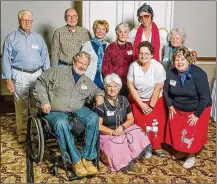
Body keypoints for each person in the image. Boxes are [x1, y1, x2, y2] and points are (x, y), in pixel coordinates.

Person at [34, 51, 104, 177]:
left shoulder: (86, 80)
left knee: (93, 118)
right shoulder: (57, 71)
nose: (82, 66)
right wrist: (44, 101)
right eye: (80, 62)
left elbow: (97, 90)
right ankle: (76, 160)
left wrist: (99, 95)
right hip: (55, 110)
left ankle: (87, 158)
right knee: (61, 123)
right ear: (73, 62)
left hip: (76, 110)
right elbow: (40, 83)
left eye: (85, 64)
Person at [1, 10, 50, 143]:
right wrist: (8, 80)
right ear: (19, 21)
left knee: (36, 105)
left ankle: (34, 131)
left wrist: (47, 76)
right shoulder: (11, 38)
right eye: (25, 20)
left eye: (30, 21)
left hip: (37, 75)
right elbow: (6, 60)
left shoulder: (38, 38)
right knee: (22, 106)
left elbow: (45, 57)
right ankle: (22, 133)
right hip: (20, 74)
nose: (28, 23)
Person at [163, 47, 212, 168]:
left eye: (183, 59)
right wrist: (170, 106)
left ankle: (191, 155)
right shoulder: (171, 73)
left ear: (189, 60)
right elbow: (166, 92)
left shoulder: (199, 74)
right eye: (176, 59)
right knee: (177, 129)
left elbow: (205, 97)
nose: (179, 62)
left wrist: (197, 115)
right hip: (178, 107)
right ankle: (181, 151)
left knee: (191, 132)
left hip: (199, 107)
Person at [94, 73, 152, 171]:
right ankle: (122, 160)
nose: (112, 89)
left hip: (122, 128)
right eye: (109, 86)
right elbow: (98, 126)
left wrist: (122, 127)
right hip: (107, 134)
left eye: (115, 86)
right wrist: (113, 132)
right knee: (116, 146)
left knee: (137, 131)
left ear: (119, 87)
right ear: (105, 87)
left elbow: (131, 119)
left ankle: (132, 154)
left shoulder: (124, 99)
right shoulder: (101, 102)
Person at [127, 41, 167, 157]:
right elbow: (131, 87)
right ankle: (145, 147)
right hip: (138, 99)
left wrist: (150, 106)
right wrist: (141, 104)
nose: (143, 56)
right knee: (140, 126)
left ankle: (155, 146)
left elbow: (157, 89)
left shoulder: (158, 67)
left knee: (154, 125)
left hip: (154, 100)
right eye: (141, 53)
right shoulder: (133, 66)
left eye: (147, 53)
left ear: (152, 55)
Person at [102, 22, 133, 97]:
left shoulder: (130, 46)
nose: (123, 34)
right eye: (120, 32)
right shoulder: (111, 47)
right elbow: (105, 67)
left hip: (128, 82)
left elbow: (133, 63)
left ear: (128, 33)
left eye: (125, 32)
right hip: (115, 83)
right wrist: (111, 83)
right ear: (117, 33)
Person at [81, 20, 109, 89]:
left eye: (103, 29)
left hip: (104, 79)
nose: (100, 31)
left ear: (106, 32)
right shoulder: (87, 45)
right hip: (89, 77)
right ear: (94, 30)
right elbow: (81, 63)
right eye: (98, 28)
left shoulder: (109, 46)